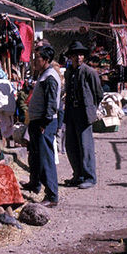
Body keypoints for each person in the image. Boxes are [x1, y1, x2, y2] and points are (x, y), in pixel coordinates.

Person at [21, 45, 62, 207]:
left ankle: (52, 195)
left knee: (46, 158)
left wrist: (44, 123)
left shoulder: (50, 77)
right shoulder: (44, 75)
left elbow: (52, 104)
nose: (33, 61)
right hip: (38, 121)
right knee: (36, 156)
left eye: (36, 58)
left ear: (45, 60)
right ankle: (35, 184)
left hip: (44, 123)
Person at [63, 40, 102, 189]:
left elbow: (98, 94)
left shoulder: (89, 72)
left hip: (84, 112)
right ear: (70, 57)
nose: (78, 57)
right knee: (71, 145)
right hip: (71, 112)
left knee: (86, 146)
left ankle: (89, 177)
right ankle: (78, 175)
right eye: (75, 55)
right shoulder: (68, 73)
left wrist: (91, 108)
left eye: (81, 55)